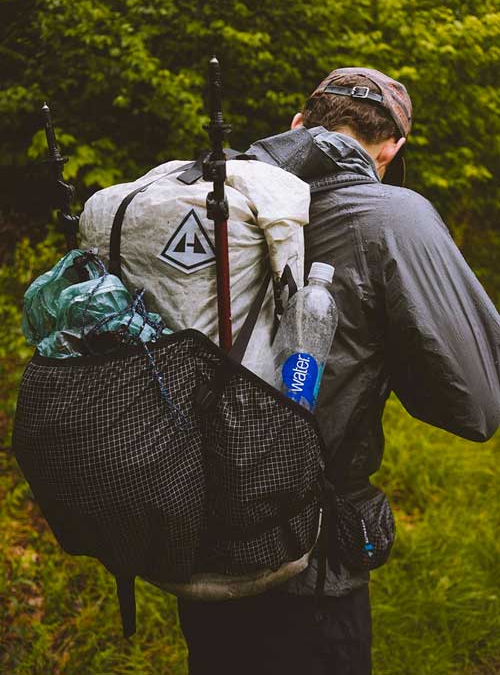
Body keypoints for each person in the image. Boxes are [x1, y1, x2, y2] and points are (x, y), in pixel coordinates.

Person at [176, 68, 500, 675]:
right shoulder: (393, 216)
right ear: (390, 150)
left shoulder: (215, 206)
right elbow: (477, 406)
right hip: (311, 567)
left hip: (202, 541)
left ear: (299, 126)